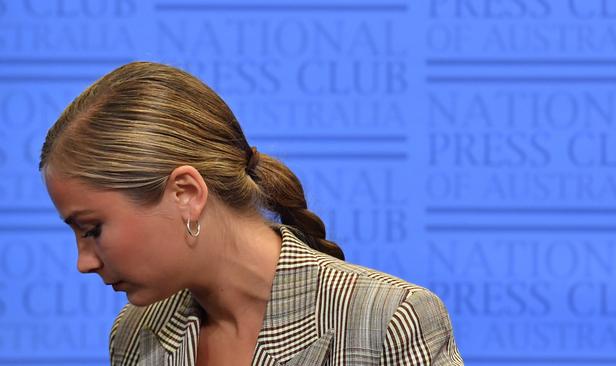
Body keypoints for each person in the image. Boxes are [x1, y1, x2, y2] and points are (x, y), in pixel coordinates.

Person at [39, 61, 463, 365]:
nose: (83, 262)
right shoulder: (134, 334)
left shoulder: (391, 319)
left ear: (185, 193)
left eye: (91, 229)